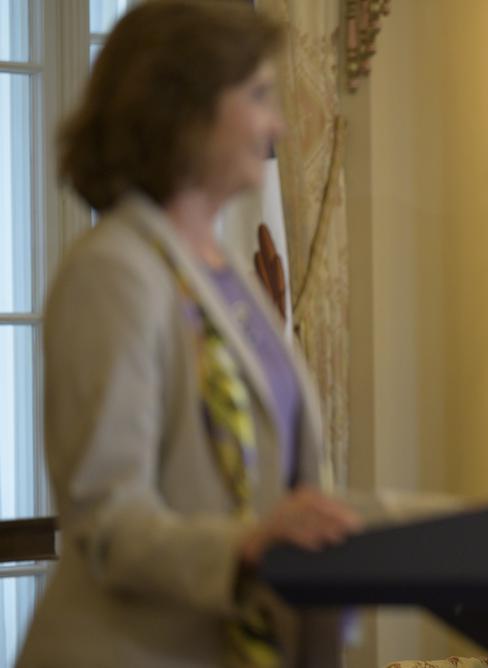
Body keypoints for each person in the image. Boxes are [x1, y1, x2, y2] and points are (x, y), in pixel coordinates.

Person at [19, 2, 361, 666]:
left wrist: (480, 526)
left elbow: (298, 503)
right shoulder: (111, 272)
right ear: (185, 107)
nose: (279, 124)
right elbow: (108, 525)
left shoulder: (227, 271)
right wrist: (247, 545)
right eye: (259, 95)